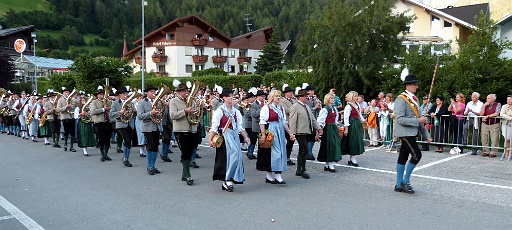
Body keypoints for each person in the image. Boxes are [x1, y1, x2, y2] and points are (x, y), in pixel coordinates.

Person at [394, 74, 432, 194]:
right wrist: (418, 120)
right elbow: (399, 119)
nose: (417, 86)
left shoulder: (415, 99)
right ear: (408, 85)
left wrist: (426, 134)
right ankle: (405, 181)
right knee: (417, 155)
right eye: (414, 84)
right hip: (404, 132)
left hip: (412, 132)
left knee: (403, 157)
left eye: (416, 83)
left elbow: (420, 118)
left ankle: (398, 184)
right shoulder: (401, 99)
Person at [210, 88, 250, 192]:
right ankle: (226, 179)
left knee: (237, 155)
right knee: (226, 158)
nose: (231, 98)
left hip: (234, 135)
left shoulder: (236, 111)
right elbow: (214, 126)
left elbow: (240, 127)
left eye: (232, 96)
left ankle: (231, 177)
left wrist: (246, 137)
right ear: (224, 98)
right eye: (229, 96)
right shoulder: (219, 111)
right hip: (224, 136)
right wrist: (210, 139)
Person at [257, 90, 296, 184]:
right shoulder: (266, 108)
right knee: (272, 153)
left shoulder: (281, 109)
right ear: (272, 97)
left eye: (279, 96)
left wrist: (290, 134)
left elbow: (284, 123)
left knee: (281, 152)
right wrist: (263, 134)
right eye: (276, 96)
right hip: (271, 131)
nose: (278, 98)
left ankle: (278, 175)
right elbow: (262, 121)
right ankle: (270, 176)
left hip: (279, 132)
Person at [169, 83, 198, 185]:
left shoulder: (191, 100)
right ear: (179, 92)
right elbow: (173, 115)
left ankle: (184, 174)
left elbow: (196, 113)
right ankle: (188, 176)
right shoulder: (173, 101)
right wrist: (185, 111)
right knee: (185, 152)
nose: (186, 92)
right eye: (184, 91)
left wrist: (199, 109)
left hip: (191, 129)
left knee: (189, 152)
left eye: (187, 90)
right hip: (180, 130)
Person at [289, 89, 320, 179]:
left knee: (302, 150)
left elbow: (312, 119)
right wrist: (292, 133)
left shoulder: (306, 106)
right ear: (299, 97)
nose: (306, 97)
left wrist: (318, 128)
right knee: (305, 150)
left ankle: (299, 170)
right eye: (304, 96)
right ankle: (302, 169)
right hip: (300, 132)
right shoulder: (295, 106)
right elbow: (292, 121)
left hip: (307, 131)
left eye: (306, 96)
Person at [137, 85, 163, 175]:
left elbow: (161, 113)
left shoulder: (158, 102)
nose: (153, 93)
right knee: (150, 146)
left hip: (156, 126)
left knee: (155, 147)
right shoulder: (142, 103)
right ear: (147, 93)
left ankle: (153, 165)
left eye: (154, 91)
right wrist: (150, 113)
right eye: (151, 91)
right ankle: (149, 166)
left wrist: (163, 107)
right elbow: (140, 116)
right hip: (147, 127)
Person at [110, 87, 136, 167]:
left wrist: (134, 111)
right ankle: (125, 158)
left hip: (130, 123)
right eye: (124, 93)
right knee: (127, 140)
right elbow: (111, 114)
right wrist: (120, 112)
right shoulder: (115, 103)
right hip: (121, 124)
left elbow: (134, 115)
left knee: (129, 142)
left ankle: (126, 157)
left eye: (126, 93)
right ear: (120, 95)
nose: (126, 95)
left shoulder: (130, 103)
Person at [317, 93, 342, 172]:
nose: (333, 99)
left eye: (333, 98)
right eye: (331, 98)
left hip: (333, 128)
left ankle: (328, 164)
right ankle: (329, 163)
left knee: (334, 145)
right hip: (327, 129)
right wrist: (319, 130)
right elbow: (320, 121)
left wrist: (338, 126)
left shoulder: (334, 109)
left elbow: (335, 120)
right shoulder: (325, 109)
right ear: (327, 99)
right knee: (329, 145)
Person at [340, 91, 366, 166]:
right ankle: (352, 158)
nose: (356, 98)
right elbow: (346, 117)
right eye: (354, 96)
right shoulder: (348, 106)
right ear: (351, 97)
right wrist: (346, 128)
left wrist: (363, 121)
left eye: (356, 96)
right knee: (353, 140)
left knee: (356, 140)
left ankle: (352, 158)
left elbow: (359, 114)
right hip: (352, 124)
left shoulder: (357, 104)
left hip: (357, 123)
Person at [90, 86, 112, 161]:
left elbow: (112, 109)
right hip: (99, 122)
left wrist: (109, 109)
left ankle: (106, 154)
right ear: (97, 95)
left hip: (107, 122)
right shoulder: (94, 102)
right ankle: (102, 154)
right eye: (100, 94)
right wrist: (103, 109)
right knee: (101, 138)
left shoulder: (108, 101)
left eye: (103, 94)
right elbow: (93, 111)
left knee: (107, 139)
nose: (102, 95)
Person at [56, 88, 77, 152]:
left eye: (68, 92)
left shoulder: (72, 99)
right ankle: (65, 144)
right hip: (65, 117)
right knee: (66, 131)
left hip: (72, 117)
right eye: (65, 92)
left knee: (73, 132)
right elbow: (58, 110)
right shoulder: (60, 100)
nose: (67, 93)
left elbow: (74, 107)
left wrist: (71, 106)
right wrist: (65, 107)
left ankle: (71, 146)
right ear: (63, 93)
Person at [280, 84, 296, 165]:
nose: (291, 93)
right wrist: (295, 109)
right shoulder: (282, 101)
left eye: (291, 92)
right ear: (285, 93)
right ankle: (285, 157)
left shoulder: (294, 100)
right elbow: (286, 110)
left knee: (291, 141)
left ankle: (287, 157)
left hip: (293, 123)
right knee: (289, 140)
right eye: (289, 92)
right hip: (286, 123)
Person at [304, 83, 320, 160]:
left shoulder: (315, 99)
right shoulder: (305, 100)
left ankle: (310, 152)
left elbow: (319, 110)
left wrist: (319, 106)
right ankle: (308, 152)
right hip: (307, 120)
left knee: (313, 137)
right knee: (309, 137)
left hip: (315, 119)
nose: (312, 92)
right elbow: (306, 110)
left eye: (313, 90)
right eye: (310, 90)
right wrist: (314, 108)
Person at [250, 89, 266, 160]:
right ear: (258, 97)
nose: (263, 98)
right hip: (257, 126)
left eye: (264, 96)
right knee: (259, 143)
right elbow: (254, 114)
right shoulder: (253, 104)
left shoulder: (265, 103)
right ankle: (260, 158)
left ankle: (263, 157)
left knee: (264, 143)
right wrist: (263, 109)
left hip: (265, 125)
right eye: (262, 96)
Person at [242, 89, 257, 160]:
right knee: (253, 139)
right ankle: (249, 152)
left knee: (254, 139)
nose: (253, 99)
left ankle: (250, 152)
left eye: (253, 97)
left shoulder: (254, 105)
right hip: (249, 124)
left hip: (253, 125)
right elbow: (247, 114)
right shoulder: (246, 105)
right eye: (251, 98)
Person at [500, 95, 512, 160]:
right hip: (506, 124)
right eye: (507, 100)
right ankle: (506, 152)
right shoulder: (504, 106)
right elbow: (502, 114)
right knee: (507, 139)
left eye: (510, 100)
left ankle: (510, 153)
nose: (508, 101)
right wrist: (510, 118)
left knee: (511, 140)